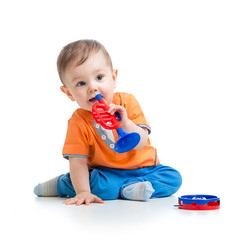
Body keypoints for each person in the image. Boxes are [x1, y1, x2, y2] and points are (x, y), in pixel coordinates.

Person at [34, 39, 182, 206]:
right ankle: (64, 183)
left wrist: (125, 123)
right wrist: (83, 192)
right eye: (81, 83)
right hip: (106, 174)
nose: (93, 88)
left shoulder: (127, 102)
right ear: (69, 93)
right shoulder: (78, 121)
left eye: (99, 77)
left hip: (145, 170)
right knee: (98, 188)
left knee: (173, 178)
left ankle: (130, 187)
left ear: (113, 78)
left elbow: (141, 142)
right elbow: (78, 161)